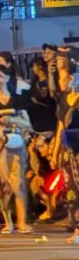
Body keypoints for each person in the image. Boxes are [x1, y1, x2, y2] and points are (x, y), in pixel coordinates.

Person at [0, 65, 33, 234]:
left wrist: (13, 119)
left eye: (0, 76)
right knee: (5, 185)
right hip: (1, 145)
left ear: (7, 78)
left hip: (17, 144)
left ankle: (22, 222)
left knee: (18, 184)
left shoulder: (17, 99)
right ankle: (8, 222)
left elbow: (28, 124)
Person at [51, 70, 79, 244]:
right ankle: (77, 229)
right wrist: (55, 153)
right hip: (68, 151)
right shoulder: (64, 100)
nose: (59, 81)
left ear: (71, 78)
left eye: (61, 77)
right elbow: (60, 127)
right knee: (72, 192)